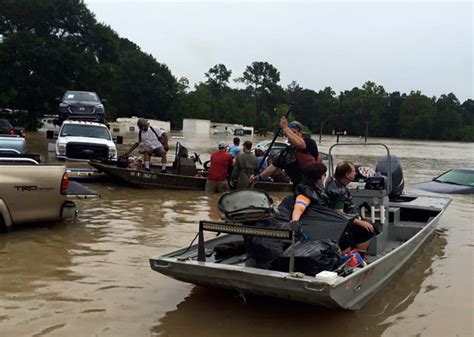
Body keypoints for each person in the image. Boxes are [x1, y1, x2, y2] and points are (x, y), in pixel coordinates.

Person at [325, 161, 377, 257]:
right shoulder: (337, 192)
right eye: (353, 171)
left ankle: (356, 255)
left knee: (368, 224)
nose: (356, 173)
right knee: (369, 230)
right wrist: (359, 222)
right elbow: (339, 215)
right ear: (347, 175)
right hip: (340, 224)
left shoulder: (334, 182)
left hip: (347, 219)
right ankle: (358, 258)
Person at [250, 117, 319, 189]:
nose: (291, 135)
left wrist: (285, 128)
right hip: (297, 187)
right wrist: (259, 176)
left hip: (312, 187)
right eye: (289, 133)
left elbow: (300, 144)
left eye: (294, 132)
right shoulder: (286, 152)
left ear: (300, 133)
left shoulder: (309, 143)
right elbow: (274, 166)